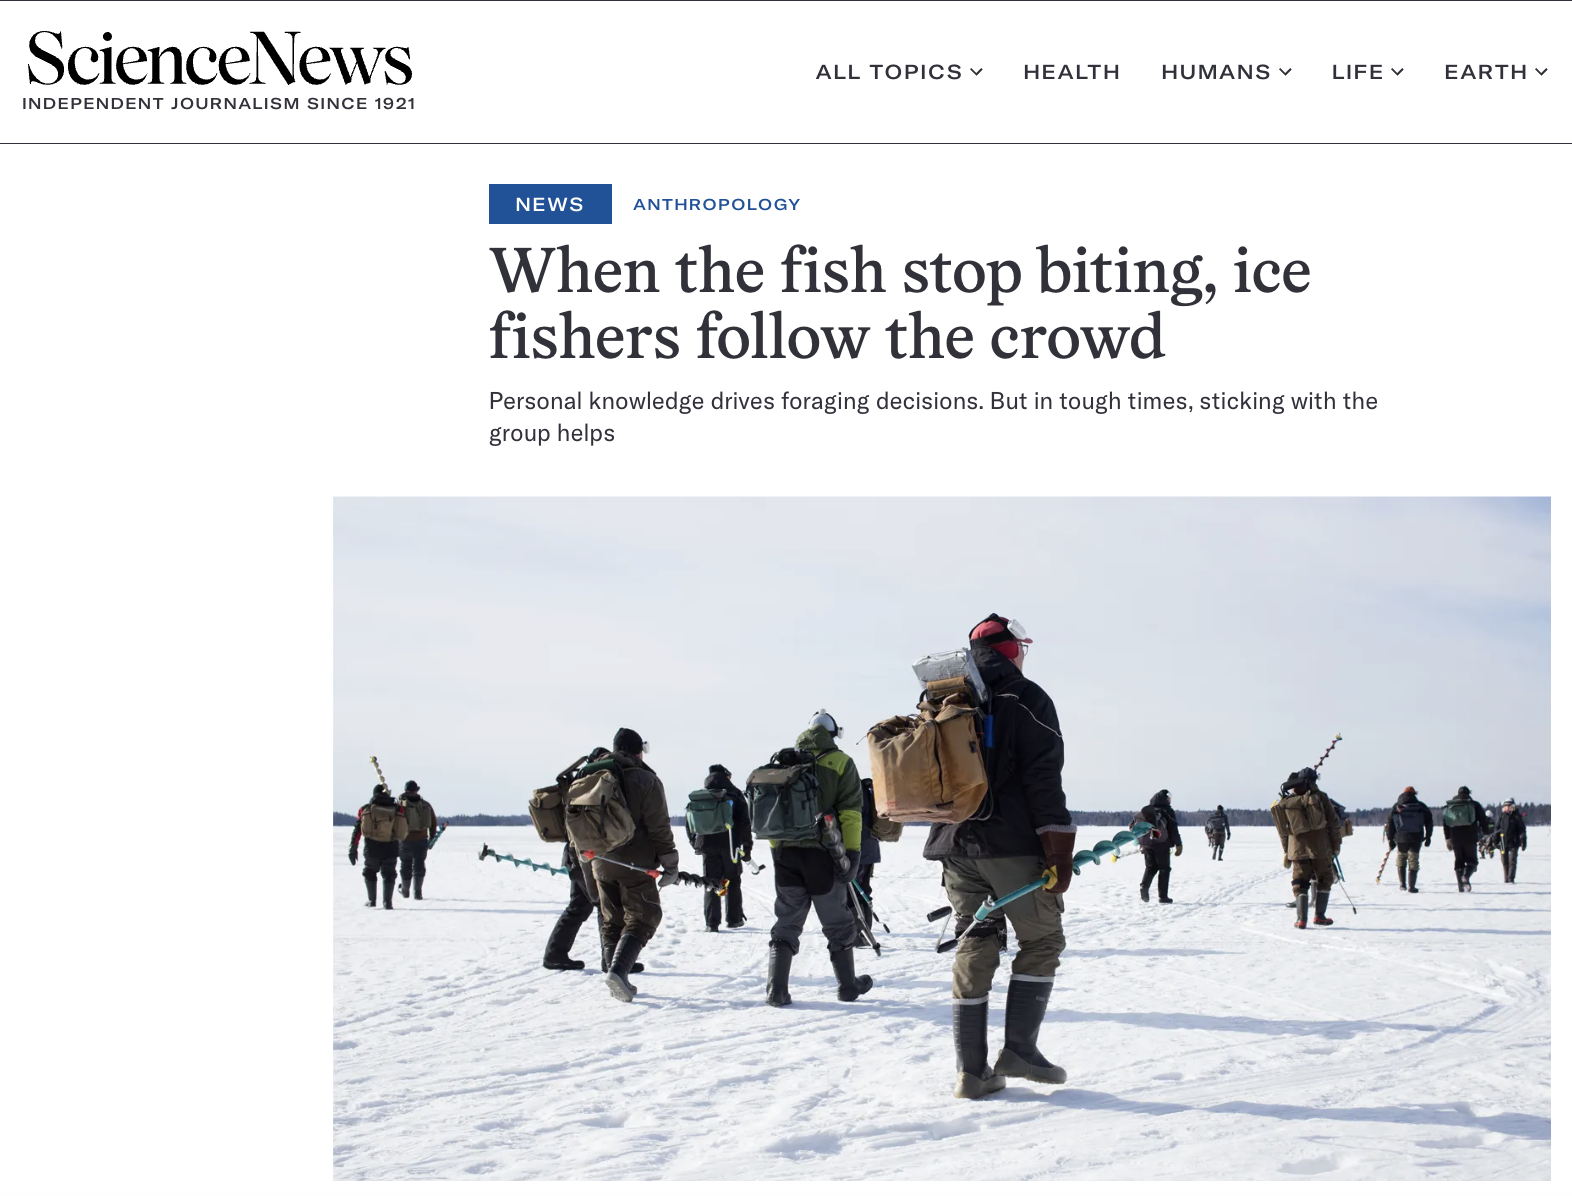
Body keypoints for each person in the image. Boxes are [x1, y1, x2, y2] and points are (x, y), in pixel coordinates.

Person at [923, 614, 1076, 1100]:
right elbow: (1042, 776)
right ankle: (1020, 1051)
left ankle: (972, 1072)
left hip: (953, 845)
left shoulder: (941, 700)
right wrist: (1057, 847)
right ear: (1012, 651)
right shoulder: (1026, 698)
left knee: (977, 939)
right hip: (1010, 843)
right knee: (1043, 940)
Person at [765, 710, 872, 1007]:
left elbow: (773, 815)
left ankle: (777, 991)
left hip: (786, 854)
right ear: (833, 733)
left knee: (786, 921)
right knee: (837, 922)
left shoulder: (784, 763)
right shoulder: (841, 763)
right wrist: (852, 853)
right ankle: (848, 986)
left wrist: (778, 851)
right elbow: (851, 813)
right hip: (824, 855)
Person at [590, 728, 679, 1001]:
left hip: (598, 860)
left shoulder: (593, 775)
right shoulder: (645, 779)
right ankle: (618, 971)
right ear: (639, 751)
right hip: (635, 863)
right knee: (644, 916)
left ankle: (613, 971)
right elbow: (659, 826)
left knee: (612, 918)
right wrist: (670, 862)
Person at [1271, 767, 1343, 928]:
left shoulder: (1287, 801)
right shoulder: (1321, 797)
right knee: (1325, 880)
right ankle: (1320, 916)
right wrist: (1336, 846)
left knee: (1300, 883)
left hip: (1297, 850)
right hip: (1321, 849)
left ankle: (1301, 919)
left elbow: (1283, 831)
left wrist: (1286, 851)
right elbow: (1333, 824)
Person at [689, 764, 753, 930]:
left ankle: (712, 923)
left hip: (707, 845)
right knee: (733, 880)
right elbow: (745, 823)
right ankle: (734, 919)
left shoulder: (701, 797)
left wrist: (695, 843)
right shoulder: (735, 795)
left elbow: (690, 822)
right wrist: (747, 847)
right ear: (727, 777)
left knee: (711, 882)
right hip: (730, 844)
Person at [348, 783, 407, 910]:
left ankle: (371, 900)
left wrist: (353, 847)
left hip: (372, 847)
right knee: (389, 874)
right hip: (391, 847)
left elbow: (358, 830)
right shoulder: (397, 809)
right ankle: (388, 903)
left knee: (370, 872)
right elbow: (401, 827)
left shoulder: (365, 809)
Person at [1383, 786, 1433, 893]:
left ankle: (1402, 885)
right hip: (1416, 836)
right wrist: (1428, 837)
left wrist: (1390, 839)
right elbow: (1429, 821)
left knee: (1401, 858)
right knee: (1413, 860)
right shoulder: (1420, 806)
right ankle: (1411, 887)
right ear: (1414, 794)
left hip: (1400, 837)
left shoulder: (1397, 806)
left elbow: (1390, 823)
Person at [1137, 789, 1183, 902]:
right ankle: (1163, 897)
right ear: (1165, 798)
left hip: (1147, 844)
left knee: (1150, 867)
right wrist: (1178, 844)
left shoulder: (1146, 811)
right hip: (1162, 844)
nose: (1170, 800)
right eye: (1169, 798)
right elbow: (1173, 829)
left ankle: (1144, 887)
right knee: (1164, 869)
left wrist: (1141, 843)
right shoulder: (1167, 811)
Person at [1442, 785, 1489, 892]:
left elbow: (1445, 823)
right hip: (1470, 837)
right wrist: (1485, 833)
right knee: (1472, 861)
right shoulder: (1474, 805)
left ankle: (1461, 887)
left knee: (1459, 861)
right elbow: (1483, 820)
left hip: (1455, 838)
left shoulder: (1451, 806)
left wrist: (1448, 838)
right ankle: (1466, 877)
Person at [397, 780, 438, 900]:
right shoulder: (426, 804)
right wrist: (431, 837)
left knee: (405, 864)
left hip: (404, 839)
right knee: (419, 865)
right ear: (417, 790)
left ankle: (405, 891)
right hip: (421, 840)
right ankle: (417, 893)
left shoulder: (400, 804)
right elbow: (433, 823)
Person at [849, 777, 881, 932]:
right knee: (862, 889)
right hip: (867, 847)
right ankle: (861, 931)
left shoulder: (853, 790)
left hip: (858, 848)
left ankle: (859, 933)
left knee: (854, 892)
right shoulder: (866, 789)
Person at [1498, 798, 1528, 883]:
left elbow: (1522, 829)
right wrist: (1495, 840)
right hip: (1503, 842)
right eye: (1506, 806)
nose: (1507, 807)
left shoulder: (1517, 816)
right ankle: (1506, 878)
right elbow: (1497, 828)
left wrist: (1523, 839)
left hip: (1514, 842)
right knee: (1504, 861)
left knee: (1512, 860)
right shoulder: (1502, 816)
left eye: (1509, 806)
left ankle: (1511, 878)